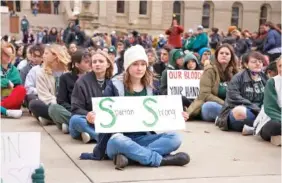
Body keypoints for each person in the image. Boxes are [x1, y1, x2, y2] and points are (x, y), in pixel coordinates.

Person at [80, 45, 190, 170]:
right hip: (119, 138)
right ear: (127, 66)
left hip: (144, 137)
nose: (140, 68)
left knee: (175, 138)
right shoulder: (114, 85)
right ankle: (161, 160)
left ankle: (132, 157)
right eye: (135, 64)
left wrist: (177, 115)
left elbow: (162, 111)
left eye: (143, 64)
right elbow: (104, 114)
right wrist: (93, 118)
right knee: (117, 141)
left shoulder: (152, 86)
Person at [216, 51, 267, 134]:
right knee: (240, 112)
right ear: (246, 64)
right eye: (254, 62)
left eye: (260, 62)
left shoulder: (265, 78)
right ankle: (258, 127)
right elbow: (234, 98)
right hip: (242, 110)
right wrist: (256, 109)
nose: (258, 64)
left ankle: (254, 127)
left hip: (260, 112)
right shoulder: (237, 78)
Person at [69, 50, 113, 143]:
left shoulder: (114, 82)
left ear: (108, 64)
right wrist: (88, 114)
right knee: (75, 120)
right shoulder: (82, 82)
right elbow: (76, 108)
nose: (97, 64)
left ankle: (90, 136)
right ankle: (104, 139)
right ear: (91, 65)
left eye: (101, 61)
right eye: (94, 62)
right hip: (88, 121)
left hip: (106, 121)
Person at [186, 44, 238, 121]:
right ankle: (234, 117)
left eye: (227, 54)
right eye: (221, 53)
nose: (224, 55)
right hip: (211, 105)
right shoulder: (209, 70)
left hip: (230, 106)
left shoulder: (235, 72)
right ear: (216, 55)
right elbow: (205, 95)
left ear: (231, 57)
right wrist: (225, 104)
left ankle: (232, 117)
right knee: (209, 106)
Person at [48, 49, 91, 133]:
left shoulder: (92, 77)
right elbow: (61, 101)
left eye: (90, 62)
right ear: (77, 64)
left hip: (88, 112)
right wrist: (75, 110)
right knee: (53, 108)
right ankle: (78, 125)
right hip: (72, 111)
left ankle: (73, 126)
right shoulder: (65, 77)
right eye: (86, 62)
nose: (90, 64)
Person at [29, 44, 70, 125]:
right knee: (34, 104)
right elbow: (44, 96)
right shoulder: (41, 73)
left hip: (68, 104)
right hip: (53, 104)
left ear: (55, 55)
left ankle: (53, 119)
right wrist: (58, 104)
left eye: (46, 53)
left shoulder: (69, 71)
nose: (43, 56)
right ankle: (62, 119)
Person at [253, 56, 281, 145]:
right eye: (280, 66)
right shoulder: (272, 82)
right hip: (272, 119)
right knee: (276, 126)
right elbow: (270, 108)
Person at [1, 42, 26, 118]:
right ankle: (6, 112)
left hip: (11, 99)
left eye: (11, 54)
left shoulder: (14, 69)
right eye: (6, 54)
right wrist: (6, 81)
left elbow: (17, 83)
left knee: (21, 89)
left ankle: (2, 110)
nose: (9, 57)